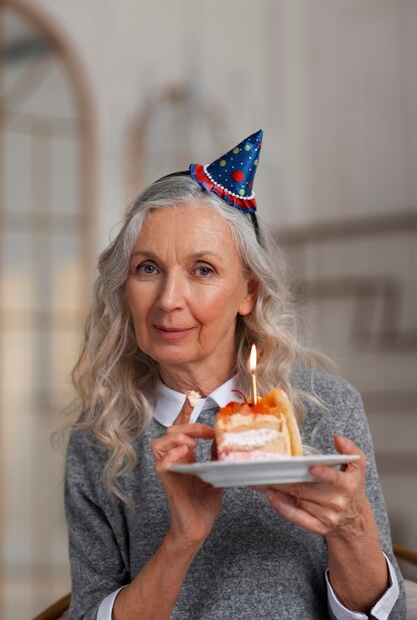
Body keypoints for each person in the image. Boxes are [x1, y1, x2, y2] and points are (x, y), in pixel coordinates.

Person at [64, 131, 406, 620]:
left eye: (202, 270)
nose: (167, 300)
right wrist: (183, 540)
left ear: (248, 291)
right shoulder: (100, 439)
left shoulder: (325, 408)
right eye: (147, 268)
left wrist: (350, 528)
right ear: (123, 286)